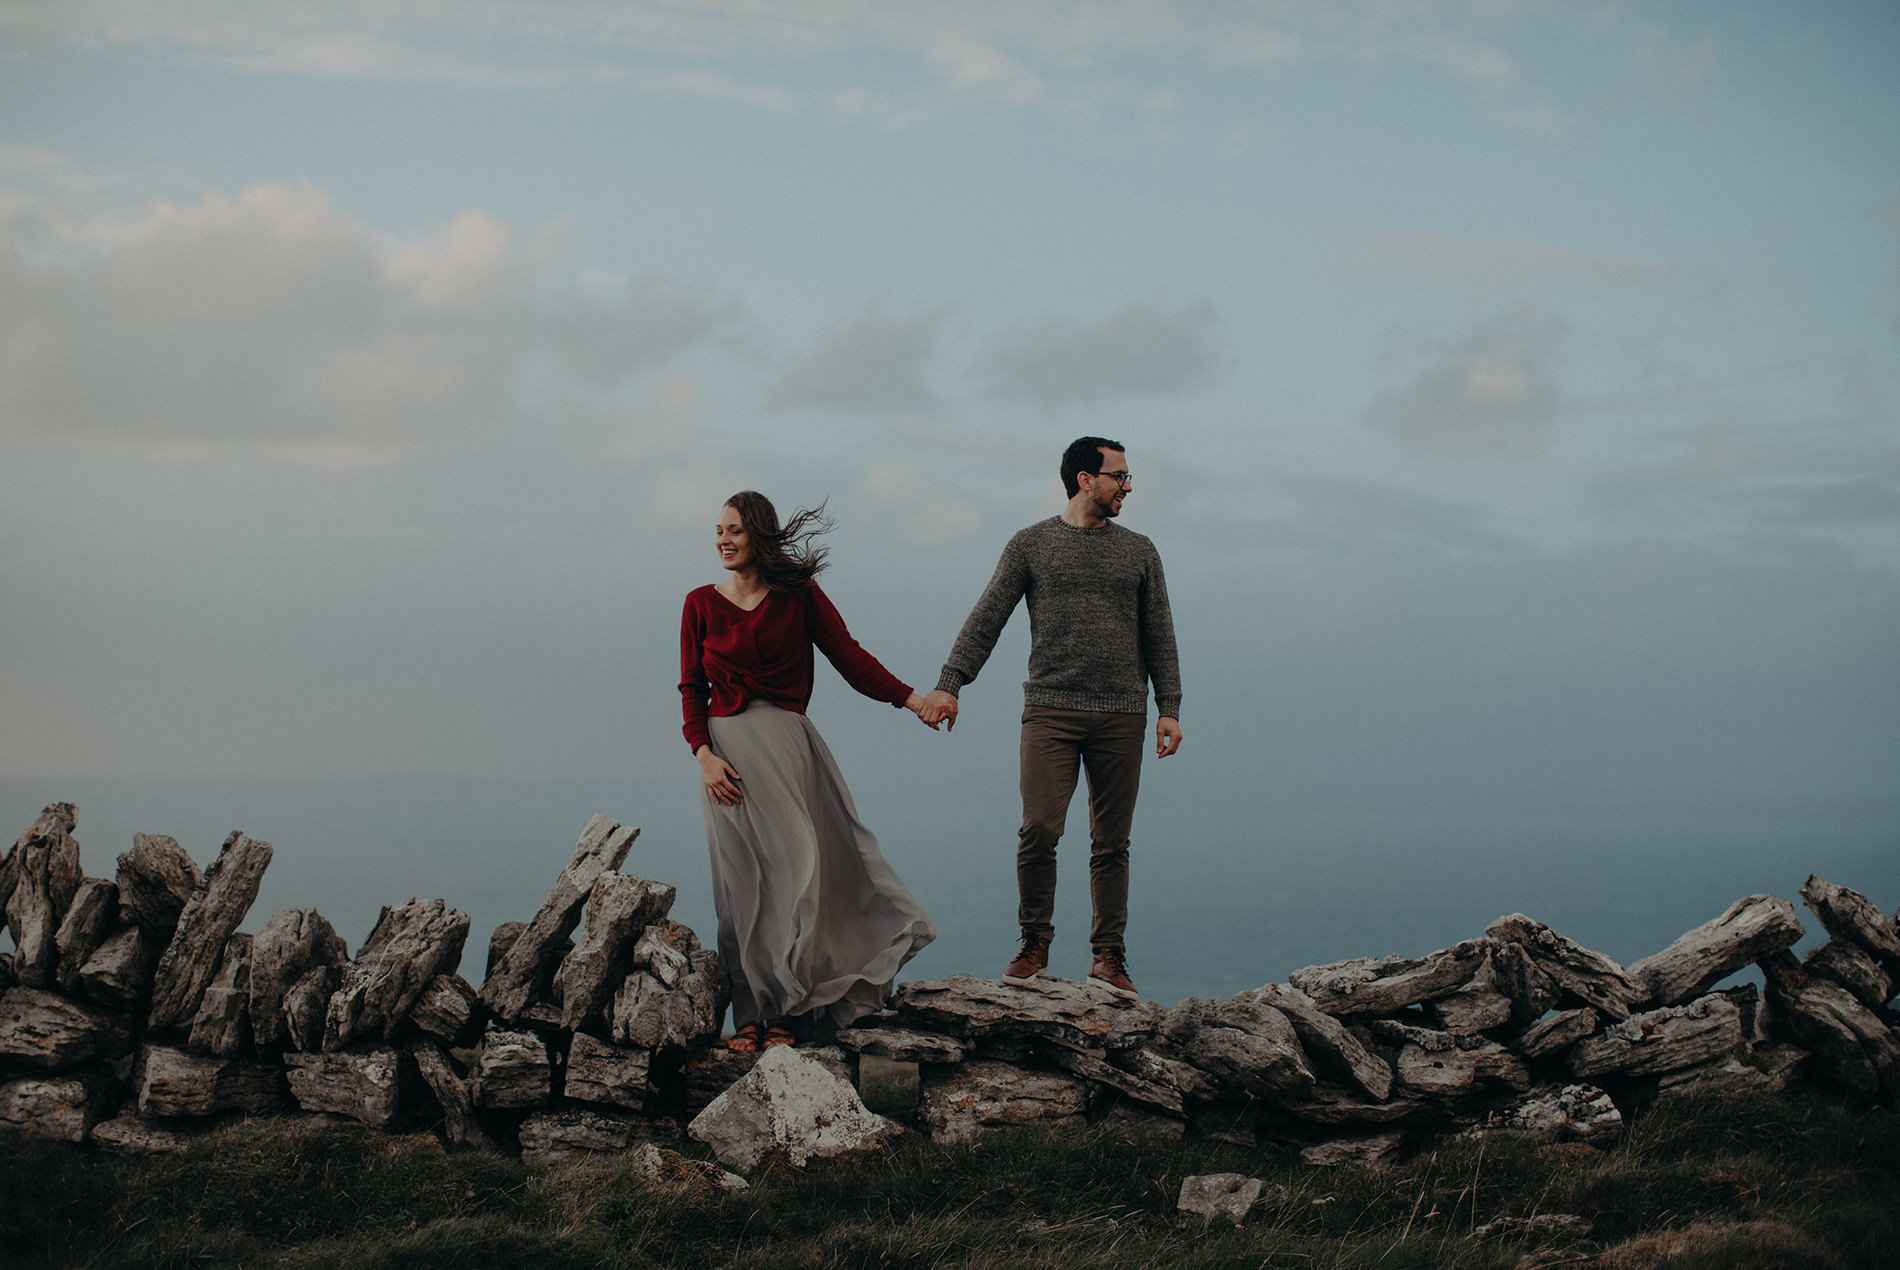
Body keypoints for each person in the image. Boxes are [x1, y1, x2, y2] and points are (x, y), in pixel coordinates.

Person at [681, 491, 944, 1052]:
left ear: (759, 534)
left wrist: (912, 699)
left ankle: (788, 1015)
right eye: (718, 531)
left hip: (786, 752)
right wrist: (702, 754)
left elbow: (849, 657)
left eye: (734, 530)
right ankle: (749, 1014)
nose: (723, 541)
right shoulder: (699, 603)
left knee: (795, 882)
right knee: (740, 889)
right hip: (724, 764)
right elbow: (690, 690)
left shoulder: (798, 596)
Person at [920, 437, 1182, 1001]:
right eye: (1120, 476)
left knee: (1112, 841)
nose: (1128, 486)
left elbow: (1159, 632)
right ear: (1086, 479)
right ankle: (1034, 941)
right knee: (1039, 829)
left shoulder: (1140, 551)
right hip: (1050, 711)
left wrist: (1170, 709)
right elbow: (987, 615)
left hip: (1121, 715)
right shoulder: (1030, 544)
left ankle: (1108, 956)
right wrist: (950, 684)